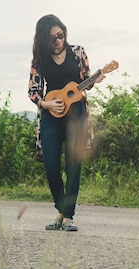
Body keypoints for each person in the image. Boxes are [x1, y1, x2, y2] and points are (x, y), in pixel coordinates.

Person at [28, 14, 105, 232]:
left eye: (60, 35)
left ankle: (67, 216)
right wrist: (47, 105)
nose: (58, 41)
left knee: (74, 165)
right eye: (52, 38)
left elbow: (85, 82)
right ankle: (61, 208)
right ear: (44, 40)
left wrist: (94, 80)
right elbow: (33, 91)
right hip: (51, 116)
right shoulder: (39, 60)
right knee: (51, 165)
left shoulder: (78, 52)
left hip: (77, 115)